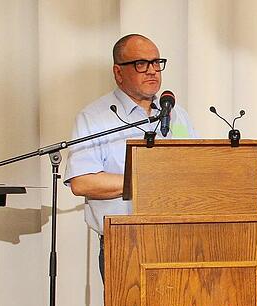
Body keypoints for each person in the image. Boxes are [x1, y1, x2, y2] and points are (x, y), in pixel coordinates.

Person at [65, 34, 196, 278]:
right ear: (118, 72)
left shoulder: (177, 116)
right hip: (125, 243)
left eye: (157, 63)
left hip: (180, 239)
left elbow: (196, 169)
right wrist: (145, 181)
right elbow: (82, 181)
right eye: (141, 64)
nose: (152, 71)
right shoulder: (95, 117)